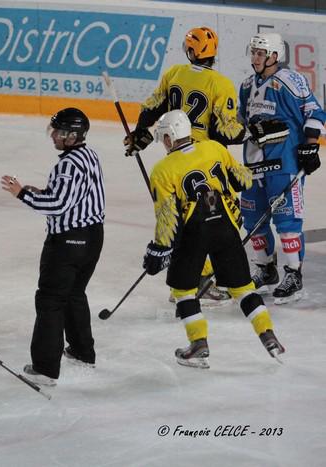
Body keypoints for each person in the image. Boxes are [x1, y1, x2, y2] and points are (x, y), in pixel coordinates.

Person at [143, 110, 285, 369]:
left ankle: (198, 344)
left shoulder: (162, 170)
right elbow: (242, 180)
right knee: (243, 289)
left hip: (192, 234)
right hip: (225, 226)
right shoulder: (213, 148)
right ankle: (268, 335)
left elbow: (167, 218)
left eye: (164, 136)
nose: (163, 142)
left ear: (170, 136)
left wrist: (159, 249)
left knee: (184, 291)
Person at [124, 26, 248, 304]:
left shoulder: (174, 73)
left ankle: (187, 277)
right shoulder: (221, 84)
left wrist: (141, 134)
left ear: (193, 51)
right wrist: (251, 133)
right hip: (205, 159)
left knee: (185, 218)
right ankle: (202, 278)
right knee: (216, 218)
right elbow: (225, 131)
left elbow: (151, 107)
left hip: (176, 157)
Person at [1, 107, 104, 386]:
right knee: (74, 294)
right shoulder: (89, 155)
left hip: (68, 242)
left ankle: (45, 369)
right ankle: (83, 351)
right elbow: (73, 196)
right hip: (93, 238)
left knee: (50, 300)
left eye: (58, 131)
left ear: (71, 135)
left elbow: (58, 205)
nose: (53, 136)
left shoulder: (67, 165)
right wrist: (43, 192)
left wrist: (22, 193)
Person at [239, 32, 326, 304]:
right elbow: (242, 121)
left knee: (287, 221)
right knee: (253, 220)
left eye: (261, 53)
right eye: (253, 52)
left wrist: (310, 145)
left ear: (276, 55)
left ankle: (293, 273)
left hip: (284, 164)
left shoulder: (291, 81)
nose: (255, 57)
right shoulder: (245, 85)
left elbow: (314, 111)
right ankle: (265, 270)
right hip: (253, 164)